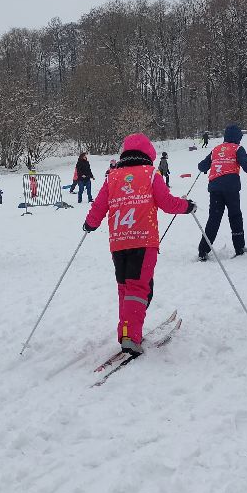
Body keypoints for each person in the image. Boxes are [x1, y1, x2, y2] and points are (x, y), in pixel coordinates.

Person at [83, 133, 195, 354]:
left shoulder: (112, 177)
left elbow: (99, 206)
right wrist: (187, 206)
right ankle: (130, 337)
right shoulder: (151, 174)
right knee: (139, 288)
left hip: (118, 242)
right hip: (143, 241)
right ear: (148, 155)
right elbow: (167, 203)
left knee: (125, 287)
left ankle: (126, 331)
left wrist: (90, 224)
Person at [195, 125, 247, 260]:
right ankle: (239, 247)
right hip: (231, 189)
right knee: (235, 216)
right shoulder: (237, 148)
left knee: (214, 219)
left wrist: (206, 167)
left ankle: (203, 251)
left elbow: (202, 166)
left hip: (215, 189)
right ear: (237, 137)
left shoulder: (216, 149)